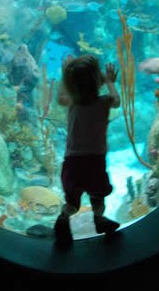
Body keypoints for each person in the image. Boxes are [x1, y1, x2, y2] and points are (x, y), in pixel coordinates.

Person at [54, 54, 121, 244]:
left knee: (72, 203)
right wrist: (109, 82)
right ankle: (99, 220)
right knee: (98, 196)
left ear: (71, 84)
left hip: (72, 163)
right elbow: (116, 101)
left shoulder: (72, 103)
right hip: (94, 162)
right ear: (97, 79)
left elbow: (60, 97)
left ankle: (63, 218)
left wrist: (64, 74)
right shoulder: (103, 102)